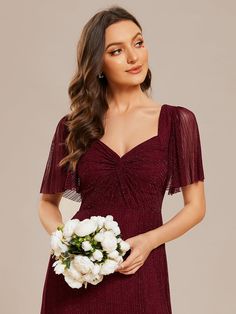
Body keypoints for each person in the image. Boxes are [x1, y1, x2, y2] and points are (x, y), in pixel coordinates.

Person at [38, 5, 206, 314]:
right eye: (117, 51)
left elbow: (196, 208)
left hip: (141, 269)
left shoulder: (177, 121)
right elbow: (48, 204)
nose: (134, 57)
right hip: (79, 277)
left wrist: (149, 241)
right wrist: (69, 247)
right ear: (98, 64)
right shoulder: (72, 126)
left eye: (138, 43)